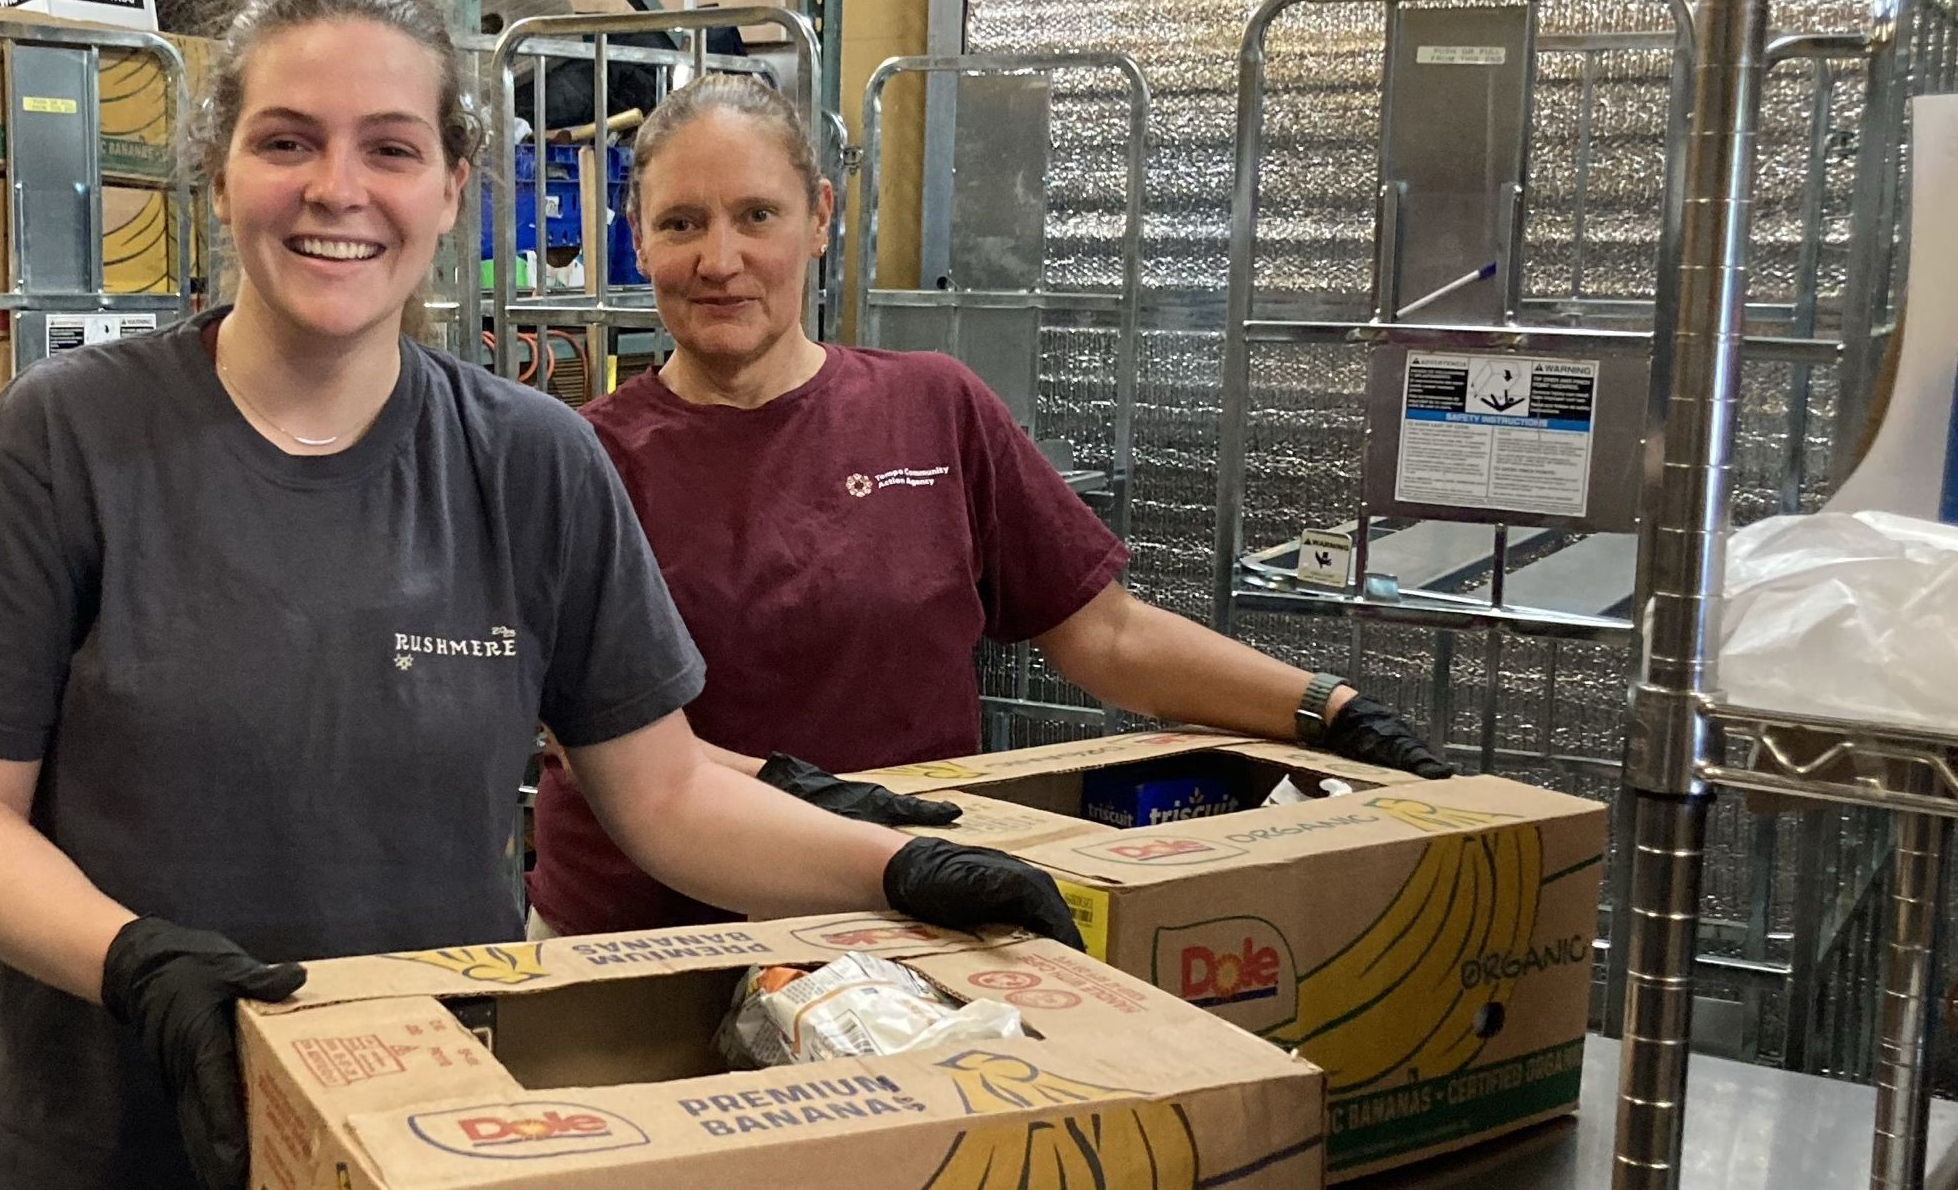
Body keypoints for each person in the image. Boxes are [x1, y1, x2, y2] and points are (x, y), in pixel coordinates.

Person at [0, 0, 1078, 1190]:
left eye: (390, 147)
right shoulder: (64, 444)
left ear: (453, 183)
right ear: (219, 172)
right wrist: (137, 962)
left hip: (437, 1177)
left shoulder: (531, 463)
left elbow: (660, 795)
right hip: (117, 1180)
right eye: (287, 140)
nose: (339, 190)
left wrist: (898, 873)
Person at [526, 74, 1453, 939]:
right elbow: (598, 743)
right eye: (682, 223)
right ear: (638, 238)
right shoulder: (582, 459)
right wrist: (806, 794)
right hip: (642, 940)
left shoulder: (932, 407)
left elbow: (1108, 637)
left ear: (819, 218)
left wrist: (1325, 708)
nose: (719, 260)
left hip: (913, 926)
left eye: (756, 215)